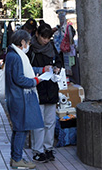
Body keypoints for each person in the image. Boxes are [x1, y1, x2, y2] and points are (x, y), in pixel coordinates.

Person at [5, 29, 44, 170]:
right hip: (19, 97)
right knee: (21, 129)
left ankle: (15, 157)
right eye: (28, 42)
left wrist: (40, 71)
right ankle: (17, 159)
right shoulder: (16, 57)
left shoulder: (12, 54)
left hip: (15, 96)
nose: (28, 45)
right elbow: (19, 79)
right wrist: (35, 81)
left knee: (18, 129)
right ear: (22, 42)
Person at [27, 24, 63, 163]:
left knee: (50, 121)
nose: (46, 40)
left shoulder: (52, 47)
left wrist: (57, 68)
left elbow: (59, 61)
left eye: (48, 38)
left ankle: (48, 148)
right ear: (37, 34)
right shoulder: (31, 49)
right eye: (43, 37)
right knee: (38, 122)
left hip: (51, 87)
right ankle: (38, 150)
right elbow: (28, 69)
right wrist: (42, 69)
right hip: (38, 88)